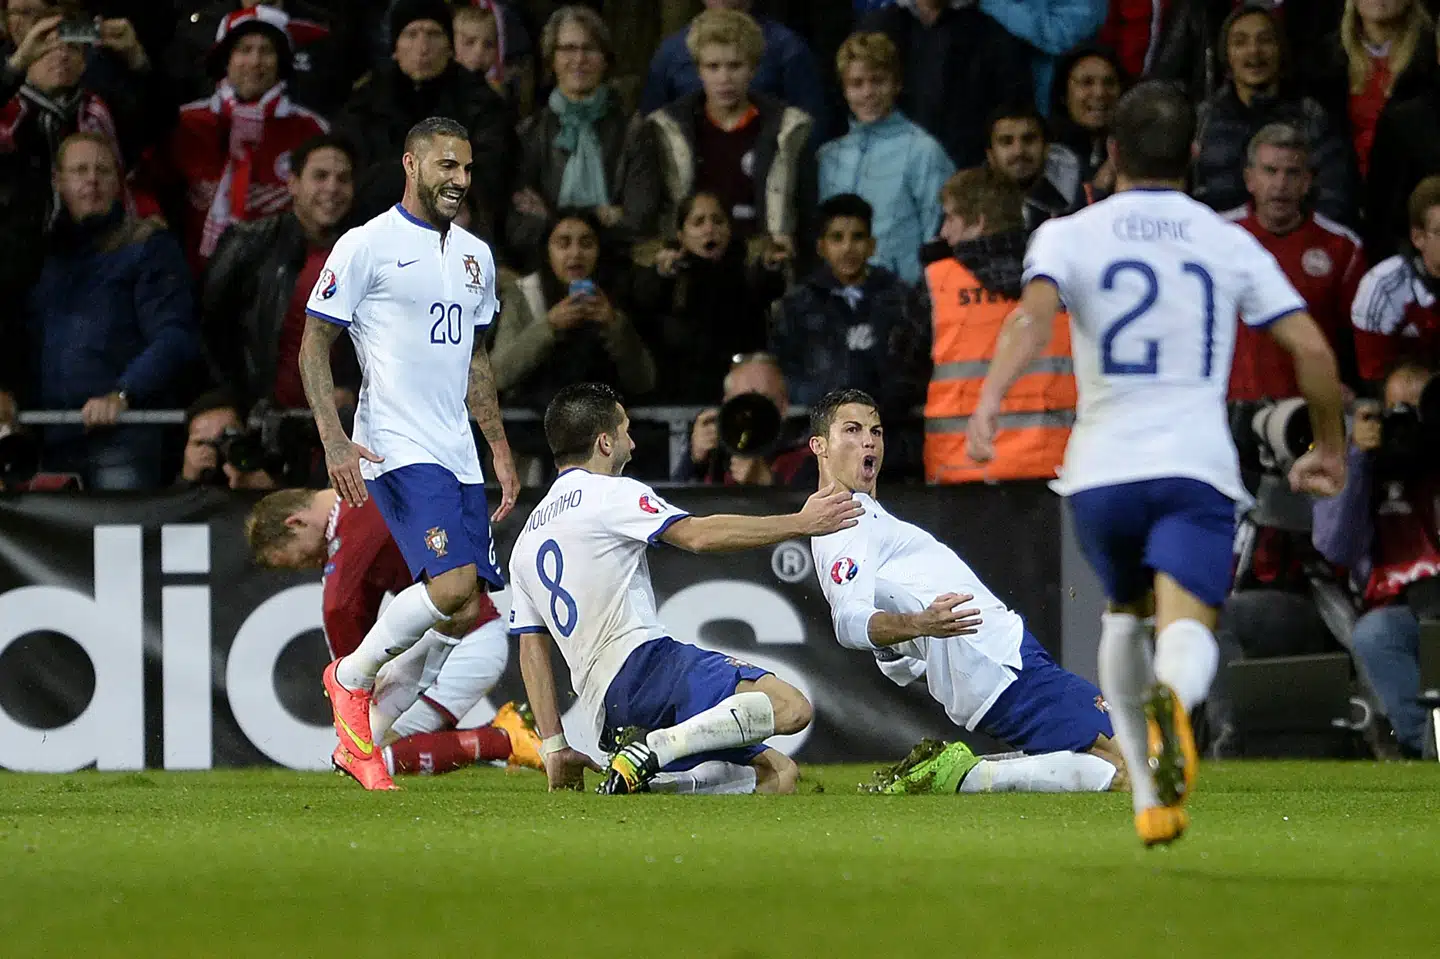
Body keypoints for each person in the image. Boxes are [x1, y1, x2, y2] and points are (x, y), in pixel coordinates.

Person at [967, 81, 1347, 846]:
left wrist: (990, 403)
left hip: (1100, 469)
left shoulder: (1070, 234)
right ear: (1197, 156)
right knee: (1187, 627)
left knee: (1124, 614)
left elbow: (1030, 317)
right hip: (1193, 464)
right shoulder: (1225, 238)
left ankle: (1149, 794)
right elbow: (1308, 347)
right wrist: (1330, 445)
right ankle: (1176, 700)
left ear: (1111, 153)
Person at [299, 116, 521, 791]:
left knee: (460, 605)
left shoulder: (477, 256)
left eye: (468, 168)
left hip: (457, 451)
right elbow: (313, 344)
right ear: (411, 164)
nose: (459, 179)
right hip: (394, 444)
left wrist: (499, 449)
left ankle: (365, 718)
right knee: (451, 586)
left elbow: (476, 361)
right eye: (447, 166)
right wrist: (334, 436)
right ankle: (353, 678)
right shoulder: (366, 245)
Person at [508, 382, 863, 795]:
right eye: (625, 431)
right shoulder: (609, 493)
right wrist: (802, 523)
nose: (633, 443)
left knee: (779, 774)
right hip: (644, 665)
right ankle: (655, 747)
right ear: (604, 442)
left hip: (605, 710)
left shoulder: (526, 537)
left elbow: (531, 647)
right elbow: (697, 535)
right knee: (791, 707)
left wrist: (554, 746)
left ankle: (640, 780)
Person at [807, 389, 1124, 795]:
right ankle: (965, 777)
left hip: (998, 659)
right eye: (851, 430)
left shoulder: (859, 515)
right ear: (819, 446)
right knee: (1136, 766)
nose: (869, 441)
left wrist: (915, 642)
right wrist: (921, 623)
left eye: (876, 431)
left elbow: (894, 663)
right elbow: (848, 624)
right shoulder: (843, 518)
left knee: (1126, 759)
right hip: (1000, 662)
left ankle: (960, 772)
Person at [244, 486, 546, 779]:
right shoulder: (363, 498)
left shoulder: (355, 523)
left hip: (467, 641)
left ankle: (505, 740)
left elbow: (340, 607)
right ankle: (504, 737)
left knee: (368, 752)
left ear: (295, 522)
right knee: (362, 748)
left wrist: (353, 678)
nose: (316, 565)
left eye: (306, 559)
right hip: (455, 635)